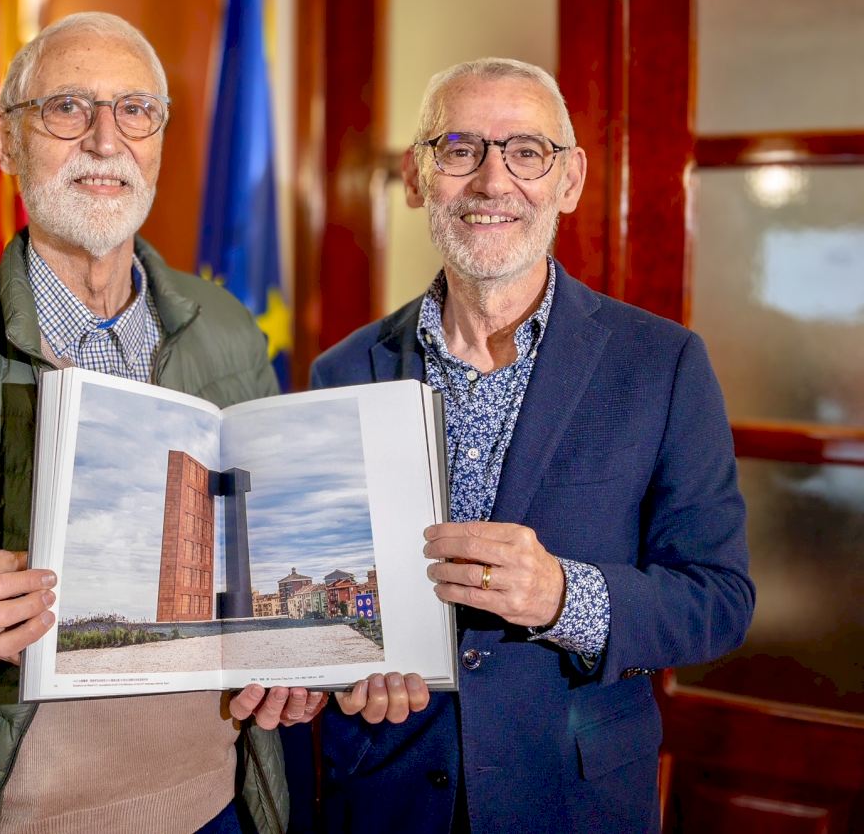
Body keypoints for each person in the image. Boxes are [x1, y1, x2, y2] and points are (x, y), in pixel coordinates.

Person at [0, 12, 325, 834]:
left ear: (158, 141)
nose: (105, 141)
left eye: (135, 110)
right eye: (67, 107)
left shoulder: (227, 328)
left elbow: (258, 544)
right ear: (8, 142)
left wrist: (293, 658)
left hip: (217, 800)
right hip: (14, 812)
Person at [307, 58, 754, 833]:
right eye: (459, 149)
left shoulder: (663, 364)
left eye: (526, 152)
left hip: (573, 801)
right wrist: (347, 671)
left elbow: (719, 599)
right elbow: (326, 589)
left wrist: (563, 596)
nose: (492, 181)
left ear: (569, 180)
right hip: (386, 797)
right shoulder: (341, 370)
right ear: (416, 177)